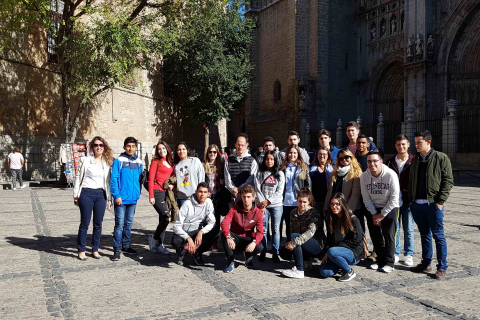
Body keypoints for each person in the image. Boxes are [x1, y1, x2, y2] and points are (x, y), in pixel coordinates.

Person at [408, 130, 453, 280]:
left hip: (433, 204)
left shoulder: (441, 157)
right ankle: (426, 262)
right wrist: (411, 200)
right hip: (417, 204)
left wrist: (440, 201)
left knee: (438, 235)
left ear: (428, 142)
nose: (416, 145)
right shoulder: (415, 160)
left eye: (419, 142)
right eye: (415, 143)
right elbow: (411, 180)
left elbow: (448, 181)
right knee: (424, 234)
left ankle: (442, 267)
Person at [73, 137, 113, 260]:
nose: (98, 147)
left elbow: (108, 182)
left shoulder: (107, 163)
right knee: (85, 223)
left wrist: (110, 198)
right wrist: (76, 194)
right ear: (92, 147)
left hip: (101, 194)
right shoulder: (85, 160)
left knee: (98, 224)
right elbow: (78, 177)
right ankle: (81, 250)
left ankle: (95, 249)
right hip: (86, 193)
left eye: (101, 145)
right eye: (96, 145)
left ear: (104, 147)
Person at [360, 151, 400, 273]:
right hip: (373, 207)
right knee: (375, 235)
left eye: (375, 161)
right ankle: (380, 260)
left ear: (381, 161)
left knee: (389, 235)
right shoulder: (364, 176)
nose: (372, 164)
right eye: (369, 161)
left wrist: (382, 215)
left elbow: (394, 198)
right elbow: (365, 198)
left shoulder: (390, 174)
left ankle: (389, 262)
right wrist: (374, 214)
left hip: (390, 207)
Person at [280, 188, 326, 279]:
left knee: (294, 238)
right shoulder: (293, 212)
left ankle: (299, 270)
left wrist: (293, 242)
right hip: (301, 242)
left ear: (309, 201)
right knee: (283, 252)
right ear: (297, 200)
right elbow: (292, 230)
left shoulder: (313, 213)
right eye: (300, 201)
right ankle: (305, 261)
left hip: (316, 244)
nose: (302, 204)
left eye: (304, 202)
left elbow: (310, 232)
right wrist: (290, 243)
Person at [111, 137, 143, 261]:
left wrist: (138, 194)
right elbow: (114, 179)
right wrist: (116, 196)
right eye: (128, 146)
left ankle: (126, 245)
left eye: (133, 146)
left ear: (136, 148)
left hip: (133, 199)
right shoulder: (118, 161)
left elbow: (140, 180)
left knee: (129, 224)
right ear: (124, 147)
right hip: (121, 199)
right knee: (119, 224)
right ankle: (117, 249)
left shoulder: (139, 162)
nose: (130, 148)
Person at [319, 192, 364, 282]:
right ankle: (340, 265)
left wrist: (333, 249)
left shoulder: (353, 219)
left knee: (332, 251)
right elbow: (329, 239)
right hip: (335, 252)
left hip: (353, 252)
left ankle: (349, 271)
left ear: (342, 204)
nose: (334, 206)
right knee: (325, 272)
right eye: (332, 204)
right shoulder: (331, 218)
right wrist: (326, 251)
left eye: (337, 204)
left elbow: (357, 240)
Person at [385, 134, 415, 266]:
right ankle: (396, 252)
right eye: (398, 144)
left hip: (408, 201)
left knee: (408, 229)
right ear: (395, 146)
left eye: (403, 144)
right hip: (393, 201)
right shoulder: (390, 162)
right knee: (395, 228)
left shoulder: (414, 161)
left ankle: (409, 254)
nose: (401, 147)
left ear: (408, 145)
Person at [220, 185, 264, 273]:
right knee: (223, 235)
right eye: (244, 197)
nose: (246, 199)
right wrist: (228, 237)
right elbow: (224, 223)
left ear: (253, 197)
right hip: (235, 236)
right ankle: (230, 260)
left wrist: (254, 243)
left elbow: (260, 232)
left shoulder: (258, 212)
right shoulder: (234, 208)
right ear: (241, 196)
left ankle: (248, 256)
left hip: (248, 237)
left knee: (260, 246)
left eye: (248, 197)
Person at [172, 182, 216, 266]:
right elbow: (176, 226)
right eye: (200, 191)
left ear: (208, 194)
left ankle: (198, 253)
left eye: (205, 192)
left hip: (197, 230)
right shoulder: (187, 204)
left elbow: (212, 222)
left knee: (215, 234)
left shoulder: (208, 202)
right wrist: (188, 238)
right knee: (175, 241)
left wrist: (201, 232)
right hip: (185, 231)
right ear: (196, 192)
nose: (202, 194)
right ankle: (182, 253)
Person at [254, 150, 285, 263]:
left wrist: (268, 201)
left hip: (276, 205)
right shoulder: (259, 173)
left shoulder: (280, 174)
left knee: (276, 230)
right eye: (267, 159)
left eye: (272, 159)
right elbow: (257, 189)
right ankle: (263, 251)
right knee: (264, 229)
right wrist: (263, 202)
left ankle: (275, 252)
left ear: (276, 160)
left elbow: (279, 191)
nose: (269, 161)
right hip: (262, 206)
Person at [323, 148, 363, 229]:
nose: (344, 160)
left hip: (350, 210)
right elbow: (330, 192)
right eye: (341, 158)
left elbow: (355, 195)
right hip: (335, 209)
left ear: (351, 158)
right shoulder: (335, 173)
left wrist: (347, 212)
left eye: (346, 157)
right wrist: (326, 207)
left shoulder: (356, 173)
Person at [148, 140, 175, 255]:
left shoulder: (169, 162)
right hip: (157, 192)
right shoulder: (156, 162)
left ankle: (160, 245)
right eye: (159, 149)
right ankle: (154, 239)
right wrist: (151, 195)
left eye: (163, 148)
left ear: (167, 149)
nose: (161, 151)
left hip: (166, 194)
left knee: (162, 221)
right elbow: (150, 179)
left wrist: (172, 185)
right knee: (166, 217)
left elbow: (172, 178)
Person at [280, 144, 312, 242]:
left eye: (294, 153)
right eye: (290, 152)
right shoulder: (282, 166)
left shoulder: (303, 166)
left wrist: (306, 199)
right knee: (288, 226)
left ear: (298, 154)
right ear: (287, 154)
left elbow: (308, 183)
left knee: (299, 226)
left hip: (297, 201)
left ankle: (299, 247)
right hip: (284, 201)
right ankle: (288, 246)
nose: (292, 155)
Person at [203, 144, 226, 251]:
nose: (212, 154)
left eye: (214, 152)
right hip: (206, 198)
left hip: (217, 197)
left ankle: (214, 242)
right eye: (210, 152)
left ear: (217, 153)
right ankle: (205, 240)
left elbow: (226, 179)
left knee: (216, 222)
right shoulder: (203, 165)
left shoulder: (221, 165)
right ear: (207, 153)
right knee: (206, 221)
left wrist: (223, 182)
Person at [224, 133, 258, 201]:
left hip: (247, 197)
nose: (240, 147)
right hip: (233, 196)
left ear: (246, 145)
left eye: (242, 145)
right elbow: (227, 179)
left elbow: (252, 178)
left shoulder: (252, 161)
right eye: (238, 145)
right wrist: (234, 191)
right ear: (235, 145)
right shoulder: (229, 161)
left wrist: (241, 188)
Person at [174, 142, 205, 208]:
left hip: (194, 195)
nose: (181, 151)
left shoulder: (195, 161)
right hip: (181, 197)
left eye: (183, 149)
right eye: (179, 149)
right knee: (185, 218)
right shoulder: (176, 165)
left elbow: (201, 177)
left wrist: (201, 192)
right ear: (177, 152)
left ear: (187, 150)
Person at [310, 146, 334, 213]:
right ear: (317, 155)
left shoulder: (332, 169)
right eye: (320, 154)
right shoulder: (311, 169)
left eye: (324, 154)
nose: (322, 156)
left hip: (328, 200)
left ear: (328, 156)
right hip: (315, 201)